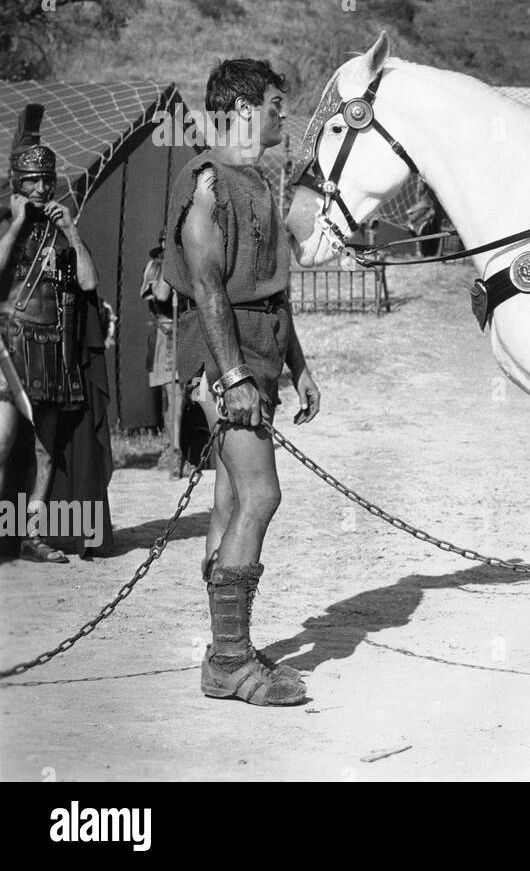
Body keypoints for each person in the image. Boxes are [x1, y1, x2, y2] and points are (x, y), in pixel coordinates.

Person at [163, 58, 321, 706]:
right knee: (261, 495)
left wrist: (299, 367)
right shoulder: (205, 180)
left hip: (258, 358)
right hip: (224, 364)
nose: (286, 116)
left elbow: (268, 291)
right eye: (278, 105)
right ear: (248, 108)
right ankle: (229, 662)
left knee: (230, 501)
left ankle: (226, 647)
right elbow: (206, 286)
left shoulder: (257, 181)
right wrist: (231, 376)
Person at [0, 104, 111, 564]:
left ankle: (31, 533)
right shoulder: (8, 227)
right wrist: (18, 222)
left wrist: (73, 231)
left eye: (47, 181)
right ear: (17, 184)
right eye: (33, 181)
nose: (43, 188)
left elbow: (88, 282)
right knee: (3, 446)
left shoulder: (60, 232)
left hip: (50, 352)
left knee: (46, 452)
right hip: (11, 348)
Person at [141, 236, 184, 476]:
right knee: (168, 395)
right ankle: (171, 447)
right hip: (165, 334)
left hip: (186, 332)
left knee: (183, 394)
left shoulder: (189, 262)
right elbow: (162, 294)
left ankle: (180, 448)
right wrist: (170, 263)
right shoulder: (155, 265)